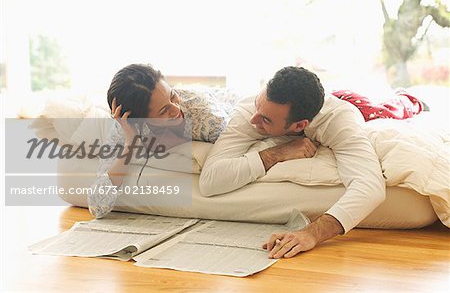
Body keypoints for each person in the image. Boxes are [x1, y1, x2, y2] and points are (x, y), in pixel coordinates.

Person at [199, 66, 386, 259]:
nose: (254, 120)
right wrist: (276, 154)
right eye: (258, 105)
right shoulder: (249, 112)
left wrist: (312, 233)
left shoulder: (337, 120)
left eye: (265, 120)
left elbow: (371, 187)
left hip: (347, 103)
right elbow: (210, 181)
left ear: (299, 126)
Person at [88, 64, 231, 219]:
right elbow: (97, 206)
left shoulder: (206, 116)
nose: (176, 109)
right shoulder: (126, 127)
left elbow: (233, 154)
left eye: (172, 95)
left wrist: (175, 139)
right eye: (163, 111)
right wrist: (130, 143)